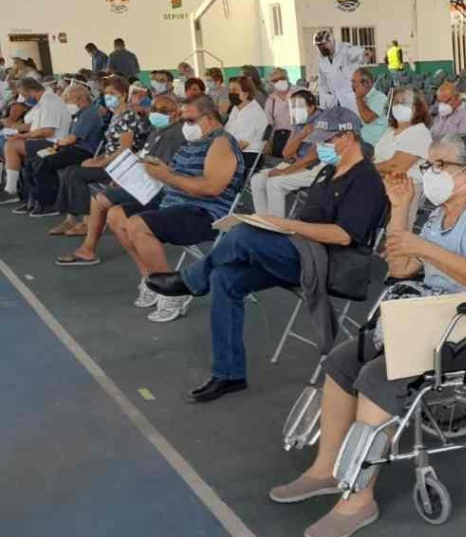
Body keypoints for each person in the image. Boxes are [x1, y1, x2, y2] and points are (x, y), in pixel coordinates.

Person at [266, 133, 466, 537]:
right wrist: (400, 210)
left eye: (441, 166)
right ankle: (326, 468)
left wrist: (425, 249)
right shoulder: (437, 215)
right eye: (429, 164)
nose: (430, 172)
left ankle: (359, 498)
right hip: (433, 314)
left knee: (380, 376)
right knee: (345, 358)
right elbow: (400, 269)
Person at [145, 108, 386, 403]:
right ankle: (228, 374)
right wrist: (281, 227)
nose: (318, 146)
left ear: (348, 138)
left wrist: (286, 224)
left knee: (243, 236)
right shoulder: (329, 171)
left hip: (328, 261)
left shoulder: (365, 180)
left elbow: (343, 235)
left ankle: (191, 281)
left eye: (326, 140)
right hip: (299, 249)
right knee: (225, 277)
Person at [108, 94, 245, 323]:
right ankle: (151, 279)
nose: (185, 126)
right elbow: (176, 175)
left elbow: (211, 188)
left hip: (203, 212)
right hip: (174, 202)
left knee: (137, 225)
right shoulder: (194, 142)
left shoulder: (221, 143)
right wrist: (157, 170)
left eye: (190, 121)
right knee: (115, 215)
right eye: (183, 120)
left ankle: (173, 293)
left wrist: (168, 175)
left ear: (209, 118)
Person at [55, 95, 184, 267]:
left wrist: (127, 179)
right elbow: (143, 157)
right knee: (113, 210)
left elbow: (156, 167)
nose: (156, 114)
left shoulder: (173, 135)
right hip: (142, 179)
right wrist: (124, 175)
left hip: (155, 187)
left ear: (175, 114)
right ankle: (89, 247)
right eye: (154, 109)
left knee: (99, 199)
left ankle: (88, 249)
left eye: (163, 111)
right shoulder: (158, 131)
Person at [49, 76, 152, 236]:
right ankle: (70, 219)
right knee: (70, 170)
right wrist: (96, 159)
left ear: (124, 95)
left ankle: (86, 223)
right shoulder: (115, 115)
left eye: (113, 93)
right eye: (106, 93)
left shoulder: (128, 116)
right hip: (110, 161)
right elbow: (111, 147)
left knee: (75, 174)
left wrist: (100, 163)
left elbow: (125, 150)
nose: (108, 96)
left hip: (122, 166)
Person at [19, 84, 106, 218]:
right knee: (33, 161)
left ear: (81, 98)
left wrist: (59, 143)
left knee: (45, 162)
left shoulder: (89, 114)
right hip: (71, 148)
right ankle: (35, 200)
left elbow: (73, 138)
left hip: (83, 151)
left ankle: (49, 204)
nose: (67, 103)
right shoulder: (80, 113)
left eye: (69, 100)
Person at [249, 90, 323, 217]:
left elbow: (312, 157)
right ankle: (262, 222)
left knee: (274, 183)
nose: (293, 110)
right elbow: (287, 153)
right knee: (256, 180)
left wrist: (284, 171)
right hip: (297, 164)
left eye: (296, 107)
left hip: (314, 168)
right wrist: (301, 135)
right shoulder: (299, 121)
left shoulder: (322, 122)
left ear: (311, 107)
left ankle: (276, 227)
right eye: (291, 106)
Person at [0, 78, 73, 205]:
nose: (24, 98)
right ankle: (27, 196)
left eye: (24, 94)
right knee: (11, 145)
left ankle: (11, 189)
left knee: (11, 146)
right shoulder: (41, 102)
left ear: (32, 91)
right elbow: (34, 126)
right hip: (43, 140)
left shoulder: (50, 101)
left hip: (54, 143)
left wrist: (22, 137)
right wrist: (14, 128)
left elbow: (47, 131)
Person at [373, 85, 432, 227]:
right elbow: (378, 157)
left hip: (403, 187)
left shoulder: (419, 132)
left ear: (417, 107)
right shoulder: (391, 130)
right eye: (396, 102)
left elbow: (396, 166)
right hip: (380, 183)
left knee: (398, 231)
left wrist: (365, 169)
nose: (399, 106)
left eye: (405, 102)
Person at [314, 30, 364, 111]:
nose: (320, 48)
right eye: (318, 46)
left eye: (323, 45)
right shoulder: (320, 60)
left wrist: (364, 54)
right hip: (334, 100)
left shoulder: (345, 49)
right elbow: (322, 83)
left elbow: (359, 53)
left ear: (331, 41)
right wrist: (324, 101)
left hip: (352, 98)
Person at [223, 76, 270, 154]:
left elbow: (243, 143)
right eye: (230, 90)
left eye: (235, 90)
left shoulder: (253, 112)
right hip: (235, 152)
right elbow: (227, 131)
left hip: (248, 154)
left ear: (245, 94)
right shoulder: (237, 108)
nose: (231, 93)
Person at [351, 68, 388, 148]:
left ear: (366, 83)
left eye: (354, 82)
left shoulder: (380, 97)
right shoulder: (361, 98)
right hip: (362, 140)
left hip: (374, 143)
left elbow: (367, 118)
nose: (352, 85)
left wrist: (358, 97)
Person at [264, 67, 293, 134]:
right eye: (275, 80)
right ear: (271, 83)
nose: (279, 81)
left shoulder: (297, 95)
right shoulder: (271, 101)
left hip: (298, 136)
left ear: (287, 79)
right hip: (279, 136)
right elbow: (268, 123)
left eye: (282, 78)